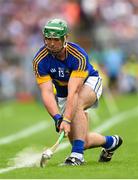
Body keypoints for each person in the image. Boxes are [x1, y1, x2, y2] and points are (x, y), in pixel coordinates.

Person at [33, 18, 123, 166]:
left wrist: (67, 119)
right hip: (63, 93)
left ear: (65, 38)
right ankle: (111, 142)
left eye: (55, 39)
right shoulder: (40, 60)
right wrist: (57, 118)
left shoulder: (78, 55)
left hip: (89, 82)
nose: (51, 43)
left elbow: (74, 91)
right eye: (48, 39)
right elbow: (47, 92)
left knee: (77, 104)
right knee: (82, 141)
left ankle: (77, 157)